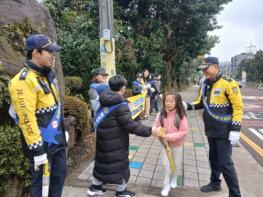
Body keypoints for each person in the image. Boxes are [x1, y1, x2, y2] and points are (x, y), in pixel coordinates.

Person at [8, 34, 67, 197]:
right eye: (49, 51)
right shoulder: (23, 81)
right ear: (36, 53)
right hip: (42, 145)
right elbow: (26, 119)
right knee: (41, 187)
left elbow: (55, 105)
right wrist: (37, 150)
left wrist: (64, 130)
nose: (52, 55)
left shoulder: (47, 74)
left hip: (57, 140)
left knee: (59, 177)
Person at [87, 75, 161, 197]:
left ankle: (95, 188)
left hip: (102, 140)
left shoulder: (103, 100)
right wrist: (150, 131)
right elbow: (131, 126)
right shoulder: (121, 105)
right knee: (120, 166)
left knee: (102, 163)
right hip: (117, 143)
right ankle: (121, 192)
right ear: (122, 88)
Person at [184, 57, 243, 197]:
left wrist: (235, 130)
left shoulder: (229, 83)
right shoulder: (205, 84)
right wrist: (187, 105)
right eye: (203, 69)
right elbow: (200, 103)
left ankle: (235, 194)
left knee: (225, 163)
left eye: (206, 68)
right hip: (211, 129)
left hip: (224, 131)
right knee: (213, 159)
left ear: (216, 67)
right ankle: (215, 183)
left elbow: (238, 107)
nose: (204, 71)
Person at [154, 92, 188, 197]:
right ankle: (166, 185)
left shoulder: (181, 115)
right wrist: (159, 134)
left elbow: (183, 132)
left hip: (177, 145)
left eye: (171, 101)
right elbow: (156, 127)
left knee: (176, 165)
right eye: (166, 101)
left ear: (177, 102)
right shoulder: (160, 114)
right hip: (164, 145)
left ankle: (174, 178)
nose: (168, 103)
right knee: (165, 165)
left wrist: (169, 137)